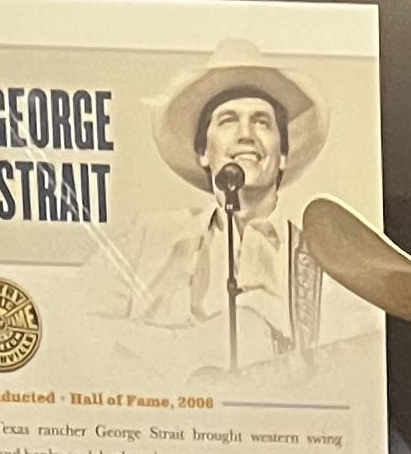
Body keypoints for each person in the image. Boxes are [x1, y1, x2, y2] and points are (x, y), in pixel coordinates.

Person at [83, 46, 335, 363]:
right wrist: (186, 352)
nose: (246, 135)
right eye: (228, 120)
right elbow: (77, 330)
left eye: (262, 122)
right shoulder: (145, 239)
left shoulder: (323, 262)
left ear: (282, 155)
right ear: (204, 151)